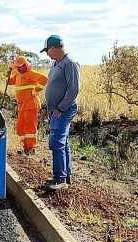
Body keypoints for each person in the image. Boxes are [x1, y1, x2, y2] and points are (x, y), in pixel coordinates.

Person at [41, 35, 79, 190]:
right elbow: (53, 86)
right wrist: (46, 107)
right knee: (63, 143)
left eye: (47, 51)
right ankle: (65, 176)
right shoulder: (56, 63)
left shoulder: (70, 63)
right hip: (55, 110)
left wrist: (60, 109)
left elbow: (74, 89)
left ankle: (60, 179)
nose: (46, 54)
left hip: (64, 109)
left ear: (53, 48)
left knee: (56, 142)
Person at [6, 56, 48, 155]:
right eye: (17, 67)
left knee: (30, 126)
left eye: (20, 66)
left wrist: (35, 91)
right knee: (20, 127)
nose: (19, 68)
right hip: (22, 105)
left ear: (25, 65)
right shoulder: (18, 75)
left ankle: (31, 148)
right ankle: (25, 146)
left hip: (31, 104)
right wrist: (9, 70)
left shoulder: (30, 73)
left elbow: (44, 79)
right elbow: (8, 82)